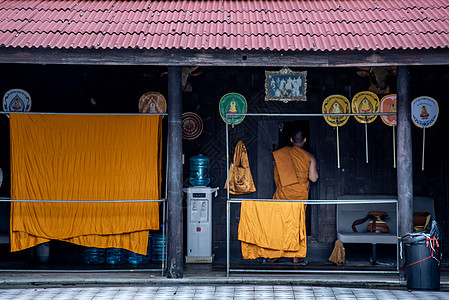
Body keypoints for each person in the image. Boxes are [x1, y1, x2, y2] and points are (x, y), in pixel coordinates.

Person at [237, 128, 318, 263]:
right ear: (305, 140)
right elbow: (314, 178)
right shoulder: (310, 157)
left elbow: (277, 177)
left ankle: (275, 254)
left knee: (279, 224)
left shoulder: (281, 154)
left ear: (291, 140)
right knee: (297, 225)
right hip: (299, 197)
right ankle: (295, 257)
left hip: (283, 195)